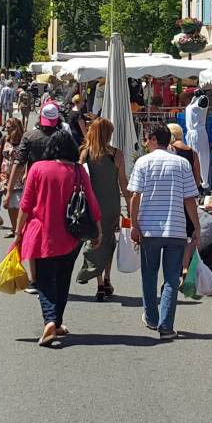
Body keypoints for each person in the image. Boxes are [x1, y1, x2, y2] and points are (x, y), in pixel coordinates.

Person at [17, 130, 103, 346]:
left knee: (45, 280)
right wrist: (98, 229)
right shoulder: (77, 170)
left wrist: (18, 232)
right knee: (63, 278)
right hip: (71, 234)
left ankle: (49, 321)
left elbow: (26, 204)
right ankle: (57, 322)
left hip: (43, 233)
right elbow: (91, 200)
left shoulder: (38, 169)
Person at [128, 123, 201, 338]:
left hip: (149, 230)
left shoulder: (142, 162)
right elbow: (190, 199)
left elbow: (135, 197)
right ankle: (166, 326)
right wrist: (196, 227)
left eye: (146, 139)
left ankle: (151, 317)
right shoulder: (181, 164)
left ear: (152, 139)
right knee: (171, 278)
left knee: (149, 276)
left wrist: (134, 225)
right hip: (176, 229)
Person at [75, 119, 127, 301]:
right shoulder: (116, 154)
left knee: (95, 239)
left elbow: (78, 179)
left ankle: (98, 282)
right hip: (112, 203)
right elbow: (123, 183)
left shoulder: (86, 153)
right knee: (109, 241)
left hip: (92, 204)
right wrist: (130, 206)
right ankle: (107, 278)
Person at [0, 119, 28, 232]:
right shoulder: (4, 139)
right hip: (6, 176)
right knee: (9, 204)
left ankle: (20, 229)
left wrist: (27, 173)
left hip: (20, 177)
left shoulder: (25, 140)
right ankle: (15, 229)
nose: (7, 130)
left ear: (16, 127)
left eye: (9, 127)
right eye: (6, 127)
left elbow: (31, 158)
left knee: (19, 205)